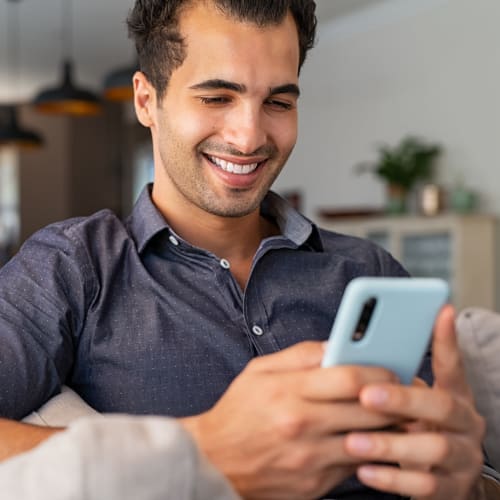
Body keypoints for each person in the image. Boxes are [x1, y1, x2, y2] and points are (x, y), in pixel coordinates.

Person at [0, 0, 497, 498]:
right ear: (147, 100)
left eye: (279, 102)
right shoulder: (74, 265)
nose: (249, 136)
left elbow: (456, 467)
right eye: (217, 97)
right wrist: (198, 453)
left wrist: (463, 483)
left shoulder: (367, 271)